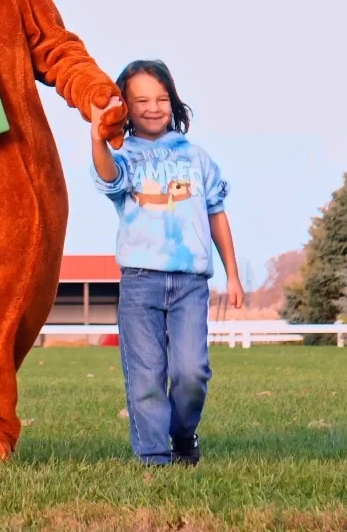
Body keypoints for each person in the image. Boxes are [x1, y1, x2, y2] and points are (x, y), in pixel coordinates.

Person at [88, 59, 242, 466]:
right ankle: (155, 458)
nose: (152, 107)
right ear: (125, 105)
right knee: (146, 377)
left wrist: (233, 274)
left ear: (173, 102)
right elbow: (107, 177)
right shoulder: (123, 154)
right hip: (140, 282)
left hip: (190, 283)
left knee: (192, 373)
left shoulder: (196, 157)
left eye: (161, 98)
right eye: (141, 100)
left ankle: (183, 435)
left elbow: (216, 214)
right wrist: (97, 135)